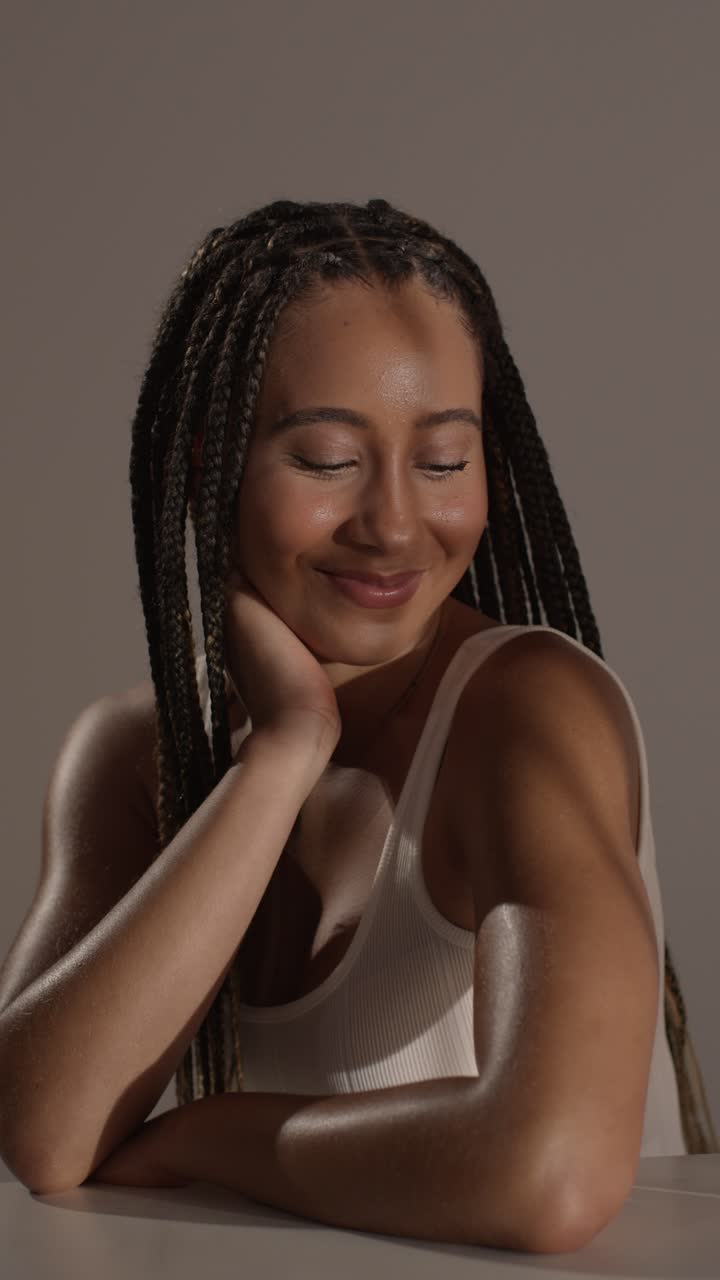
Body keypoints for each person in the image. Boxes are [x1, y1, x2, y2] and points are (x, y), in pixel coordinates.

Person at [0, 200, 716, 1206]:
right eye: (329, 460)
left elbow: (551, 1170)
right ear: (211, 462)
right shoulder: (128, 756)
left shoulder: (529, 710)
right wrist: (284, 751)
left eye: (443, 461)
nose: (392, 523)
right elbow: (42, 1129)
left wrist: (204, 1136)